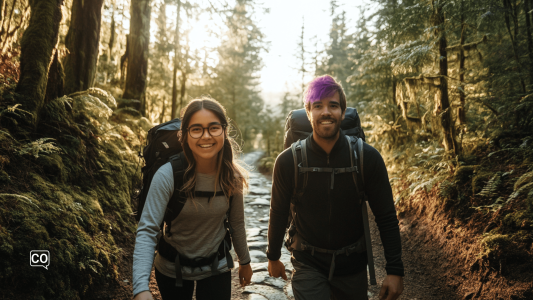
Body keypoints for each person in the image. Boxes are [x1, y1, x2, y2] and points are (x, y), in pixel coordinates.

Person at [267, 75, 404, 300]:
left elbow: (386, 216)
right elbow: (279, 211)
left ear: (342, 110)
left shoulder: (366, 158)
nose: (326, 112)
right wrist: (273, 256)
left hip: (353, 267)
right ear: (308, 111)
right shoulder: (288, 161)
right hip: (307, 262)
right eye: (318, 106)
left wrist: (395, 270)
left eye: (333, 105)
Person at [132, 97, 253, 300]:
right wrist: (140, 288)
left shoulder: (231, 177)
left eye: (214, 128)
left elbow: (237, 223)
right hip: (172, 268)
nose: (206, 136)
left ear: (224, 131)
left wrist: (245, 262)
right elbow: (148, 230)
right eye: (196, 129)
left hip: (217, 267)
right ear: (184, 135)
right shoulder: (167, 175)